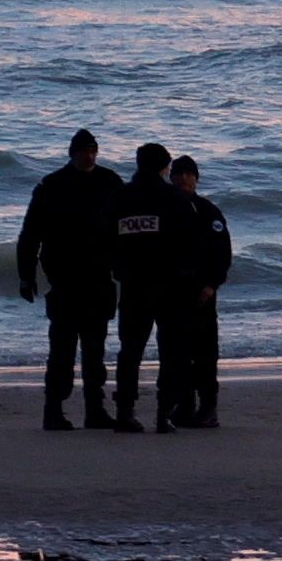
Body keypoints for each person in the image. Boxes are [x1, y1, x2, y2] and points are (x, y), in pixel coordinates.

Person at [15, 129, 130, 432]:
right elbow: (30, 234)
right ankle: (53, 409)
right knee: (62, 351)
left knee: (95, 350)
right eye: (83, 151)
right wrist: (26, 276)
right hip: (65, 281)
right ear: (72, 153)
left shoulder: (111, 182)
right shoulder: (51, 186)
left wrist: (125, 267)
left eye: (92, 150)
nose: (88, 156)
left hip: (99, 278)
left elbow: (124, 229)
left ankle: (95, 410)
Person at [157, 150, 233, 430]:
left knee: (205, 353)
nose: (183, 179)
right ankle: (184, 405)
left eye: (189, 174)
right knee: (175, 352)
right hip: (171, 292)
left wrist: (212, 285)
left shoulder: (208, 211)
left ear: (196, 179)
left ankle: (208, 407)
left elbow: (222, 254)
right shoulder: (163, 210)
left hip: (201, 293)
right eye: (178, 174)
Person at [109, 141, 183, 427]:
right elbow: (187, 239)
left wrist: (118, 269)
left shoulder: (120, 196)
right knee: (170, 350)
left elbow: (105, 237)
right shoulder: (173, 196)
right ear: (163, 167)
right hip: (167, 284)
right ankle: (164, 414)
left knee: (130, 350)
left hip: (132, 284)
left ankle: (124, 412)